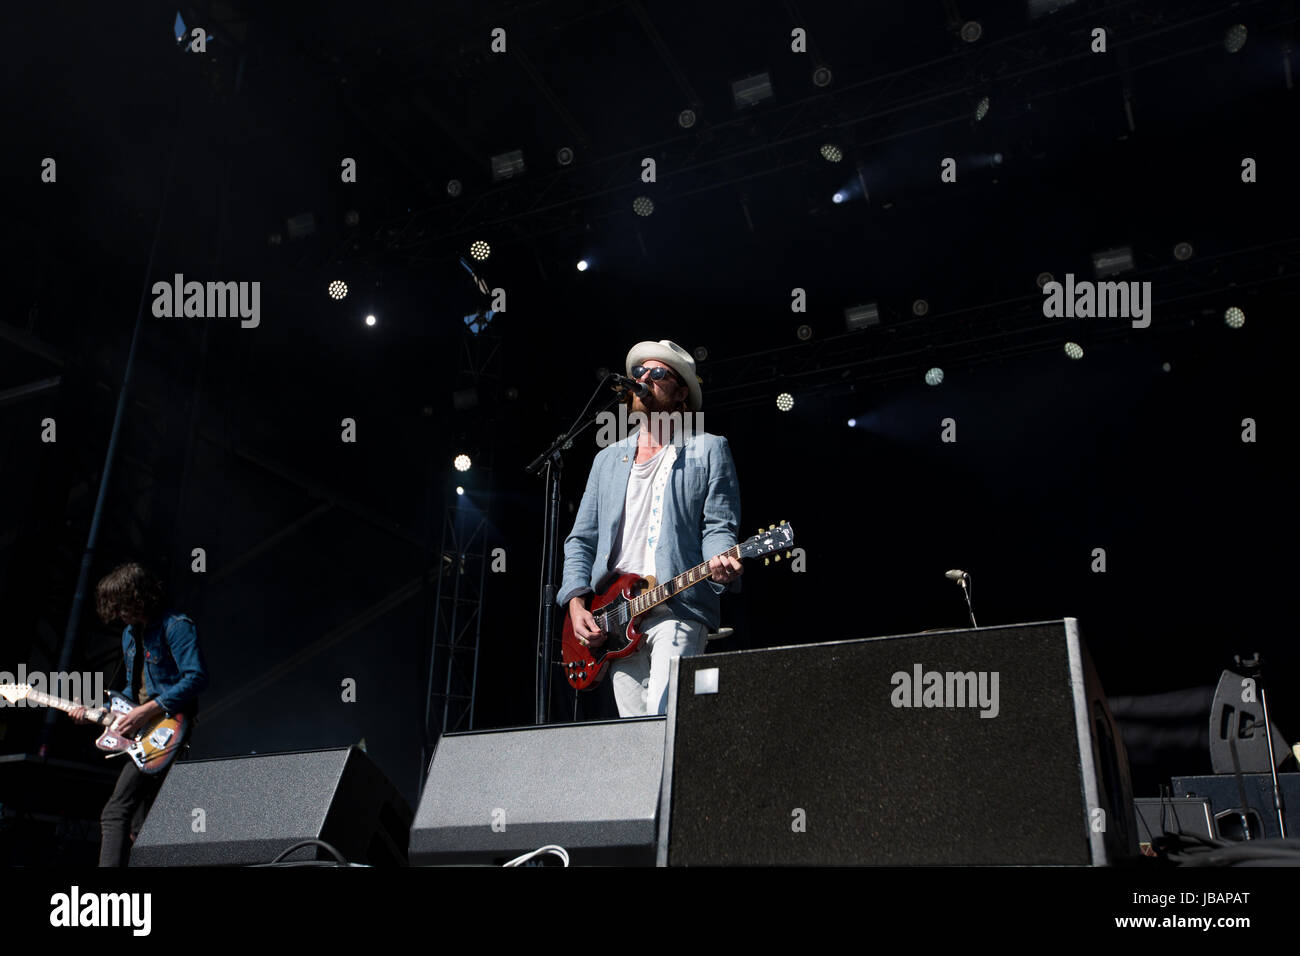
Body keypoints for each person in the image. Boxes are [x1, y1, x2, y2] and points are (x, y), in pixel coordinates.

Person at [560, 339, 742, 717]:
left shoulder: (708, 448)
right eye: (639, 372)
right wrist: (576, 603)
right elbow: (582, 539)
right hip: (613, 617)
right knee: (636, 737)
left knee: (666, 719)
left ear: (681, 394)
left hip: (677, 604)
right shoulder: (607, 459)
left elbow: (718, 526)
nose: (645, 378)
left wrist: (721, 562)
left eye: (659, 374)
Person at [69, 562, 208, 866]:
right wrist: (93, 713)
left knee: (115, 811)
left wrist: (147, 711)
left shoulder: (177, 625)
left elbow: (196, 677)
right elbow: (129, 696)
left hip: (168, 727)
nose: (119, 614)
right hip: (143, 731)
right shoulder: (130, 635)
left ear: (138, 596)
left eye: (122, 605)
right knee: (139, 825)